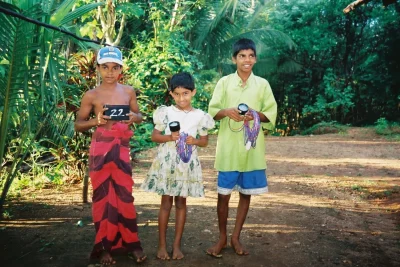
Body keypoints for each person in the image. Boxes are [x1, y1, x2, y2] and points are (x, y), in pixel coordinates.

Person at [74, 46, 146, 265]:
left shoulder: (128, 92)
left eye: (115, 67)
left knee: (125, 197)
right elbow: (78, 125)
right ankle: (104, 248)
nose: (110, 72)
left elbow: (139, 115)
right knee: (102, 199)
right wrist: (96, 121)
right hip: (100, 150)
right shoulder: (91, 95)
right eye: (105, 67)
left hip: (122, 149)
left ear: (121, 69)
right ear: (97, 68)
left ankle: (131, 245)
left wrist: (134, 117)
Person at [206, 38, 277, 257]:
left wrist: (254, 114)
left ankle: (236, 237)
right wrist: (227, 111)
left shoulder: (262, 84)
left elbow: (271, 115)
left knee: (246, 194)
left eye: (250, 56)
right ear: (234, 59)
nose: (247, 60)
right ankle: (222, 238)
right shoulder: (224, 83)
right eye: (242, 56)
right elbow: (212, 112)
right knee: (223, 195)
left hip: (252, 149)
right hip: (228, 148)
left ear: (255, 58)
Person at [141, 72, 215, 260]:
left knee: (181, 203)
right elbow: (154, 136)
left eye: (186, 94)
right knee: (166, 203)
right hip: (168, 162)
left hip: (186, 163)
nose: (182, 98)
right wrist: (169, 137)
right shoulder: (165, 112)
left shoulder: (200, 116)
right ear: (172, 94)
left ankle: (176, 246)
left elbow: (205, 141)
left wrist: (194, 141)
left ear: (193, 92)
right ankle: (162, 246)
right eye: (178, 94)